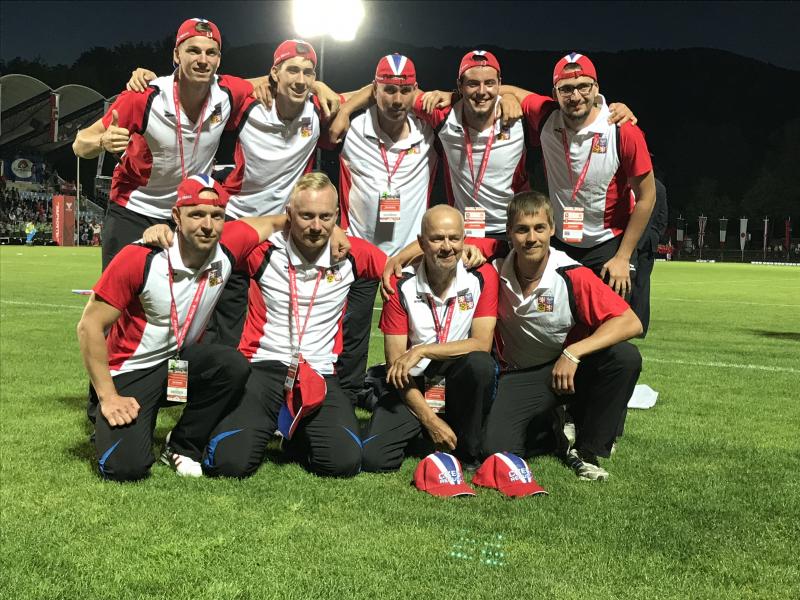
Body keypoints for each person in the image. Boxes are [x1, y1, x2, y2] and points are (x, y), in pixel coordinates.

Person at [76, 175, 283, 481]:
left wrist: (331, 230)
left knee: (231, 366)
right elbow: (89, 326)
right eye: (197, 214)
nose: (208, 225)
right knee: (125, 468)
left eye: (217, 216)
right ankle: (116, 419)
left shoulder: (228, 246)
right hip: (133, 371)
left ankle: (183, 444)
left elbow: (276, 222)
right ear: (176, 216)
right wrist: (108, 396)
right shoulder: (141, 258)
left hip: (179, 366)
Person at [201, 173, 387, 479]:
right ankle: (258, 422)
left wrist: (473, 249)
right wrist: (279, 223)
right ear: (289, 214)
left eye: (325, 217)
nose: (316, 226)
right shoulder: (264, 250)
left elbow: (399, 268)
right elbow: (224, 236)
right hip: (263, 367)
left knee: (343, 463)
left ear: (337, 216)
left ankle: (296, 432)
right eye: (306, 216)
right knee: (229, 463)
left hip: (319, 372)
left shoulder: (352, 254)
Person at [475, 191, 643, 481]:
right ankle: (553, 423)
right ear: (509, 232)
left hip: (567, 370)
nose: (531, 238)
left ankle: (588, 448)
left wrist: (573, 352)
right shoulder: (495, 263)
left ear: (552, 229)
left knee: (624, 357)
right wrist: (398, 259)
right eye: (522, 230)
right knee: (496, 451)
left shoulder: (571, 273)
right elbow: (442, 237)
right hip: (520, 374)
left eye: (539, 228)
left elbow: (630, 322)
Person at [73, 18, 254, 269]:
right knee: (120, 291)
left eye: (211, 53)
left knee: (185, 292)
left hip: (187, 214)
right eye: (193, 50)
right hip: (134, 210)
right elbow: (80, 143)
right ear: (176, 55)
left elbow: (272, 82)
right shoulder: (145, 97)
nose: (203, 60)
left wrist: (307, 82)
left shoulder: (228, 92)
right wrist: (103, 141)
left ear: (219, 60)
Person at [319, 53, 439, 404]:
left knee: (418, 333)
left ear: (416, 91)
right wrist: (344, 109)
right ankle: (345, 398)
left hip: (411, 255)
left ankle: (412, 399)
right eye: (388, 90)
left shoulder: (429, 130)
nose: (397, 99)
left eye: (405, 91)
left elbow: (471, 97)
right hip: (358, 249)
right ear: (374, 90)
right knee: (352, 330)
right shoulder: (352, 128)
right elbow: (313, 90)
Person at [501, 53, 656, 299]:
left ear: (596, 88)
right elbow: (494, 89)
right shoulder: (546, 115)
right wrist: (504, 97)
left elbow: (647, 197)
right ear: (554, 93)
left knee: (613, 321)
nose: (575, 96)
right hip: (561, 244)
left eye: (583, 86)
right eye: (566, 89)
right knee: (556, 319)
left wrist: (623, 256)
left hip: (608, 245)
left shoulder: (622, 129)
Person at [361, 205, 499, 472]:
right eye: (437, 239)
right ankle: (381, 398)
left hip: (457, 380)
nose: (447, 247)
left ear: (464, 240)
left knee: (481, 364)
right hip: (413, 385)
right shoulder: (400, 284)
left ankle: (466, 451)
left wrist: (422, 350)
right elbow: (396, 364)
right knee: (374, 458)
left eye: (454, 238)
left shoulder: (482, 276)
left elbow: (482, 344)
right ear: (422, 243)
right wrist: (430, 421)